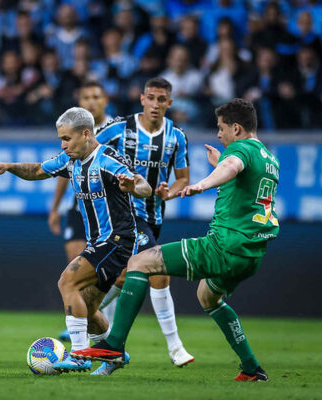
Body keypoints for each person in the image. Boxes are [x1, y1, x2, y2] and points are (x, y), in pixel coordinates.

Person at [72, 98, 279, 382]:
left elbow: (232, 165)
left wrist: (203, 183)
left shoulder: (240, 150)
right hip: (252, 254)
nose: (219, 135)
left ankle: (114, 346)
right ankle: (251, 367)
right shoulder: (268, 157)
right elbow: (239, 175)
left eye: (221, 129)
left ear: (237, 128)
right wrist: (221, 164)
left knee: (139, 262)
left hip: (224, 246)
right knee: (208, 296)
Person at [0, 107, 152, 373]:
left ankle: (79, 356)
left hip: (117, 240)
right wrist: (9, 167)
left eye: (67, 139)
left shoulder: (107, 158)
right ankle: (115, 355)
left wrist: (133, 187)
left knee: (67, 281)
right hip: (98, 242)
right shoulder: (70, 160)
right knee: (85, 309)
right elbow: (38, 170)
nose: (63, 144)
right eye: (60, 139)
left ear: (86, 134)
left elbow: (144, 185)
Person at [92, 77, 193, 374]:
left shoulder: (176, 136)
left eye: (162, 99)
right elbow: (89, 152)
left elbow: (183, 178)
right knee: (157, 272)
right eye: (151, 97)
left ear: (169, 103)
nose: (156, 104)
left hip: (153, 217)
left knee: (125, 279)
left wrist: (169, 192)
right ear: (142, 99)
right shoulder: (119, 128)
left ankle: (91, 321)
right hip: (123, 214)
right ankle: (175, 347)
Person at [48, 82, 113, 343]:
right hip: (79, 207)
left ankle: (91, 327)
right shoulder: (71, 130)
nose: (92, 101)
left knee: (91, 275)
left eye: (96, 96)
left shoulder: (114, 131)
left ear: (105, 100)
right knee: (75, 267)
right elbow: (63, 170)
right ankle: (84, 323)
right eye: (86, 96)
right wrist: (55, 207)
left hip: (107, 213)